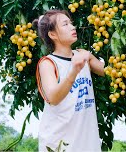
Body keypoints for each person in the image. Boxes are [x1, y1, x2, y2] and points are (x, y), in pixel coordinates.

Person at [33, 9, 105, 152]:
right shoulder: (48, 63)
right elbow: (53, 97)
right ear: (52, 34)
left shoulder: (83, 55)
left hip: (87, 143)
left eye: (71, 23)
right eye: (65, 24)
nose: (73, 27)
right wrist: (74, 71)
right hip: (59, 144)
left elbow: (110, 73)